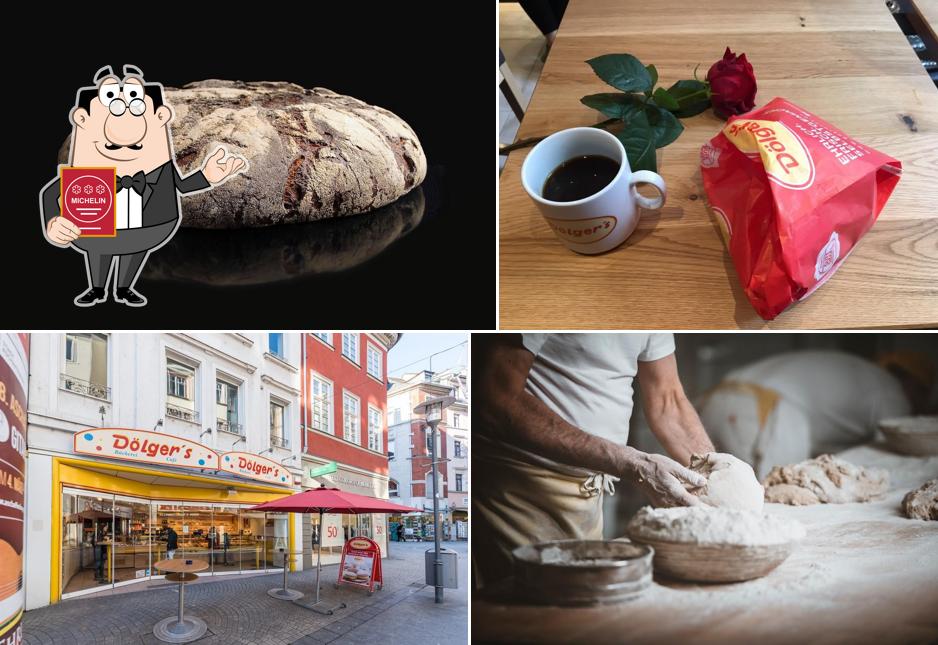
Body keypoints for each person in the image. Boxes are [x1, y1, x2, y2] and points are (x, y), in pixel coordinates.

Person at [473, 333, 714, 590]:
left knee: (580, 602)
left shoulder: (653, 302)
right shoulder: (545, 295)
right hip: (518, 489)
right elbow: (497, 398)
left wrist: (716, 468)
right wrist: (632, 462)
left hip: (589, 491)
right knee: (531, 614)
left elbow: (669, 401)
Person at [39, 64, 247, 307]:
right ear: (82, 120)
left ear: (161, 118)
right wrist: (53, 222)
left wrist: (207, 177)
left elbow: (181, 185)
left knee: (133, 254)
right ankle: (97, 289)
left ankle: (124, 288)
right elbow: (52, 193)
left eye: (136, 109)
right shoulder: (84, 176)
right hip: (96, 227)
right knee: (99, 252)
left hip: (147, 226)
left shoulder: (161, 169)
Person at [697, 350, 931, 479]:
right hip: (764, 413)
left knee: (721, 496)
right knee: (774, 500)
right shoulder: (892, 389)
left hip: (715, 403)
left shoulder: (862, 372)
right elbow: (892, 454)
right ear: (913, 384)